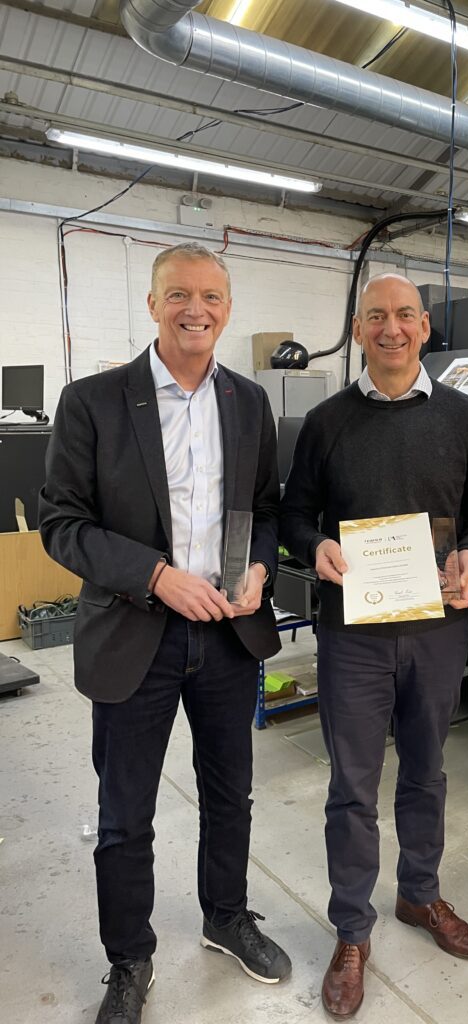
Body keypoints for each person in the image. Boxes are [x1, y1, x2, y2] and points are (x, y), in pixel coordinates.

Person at [39, 242, 291, 1024]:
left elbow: (267, 507)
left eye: (212, 296)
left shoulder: (248, 402)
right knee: (126, 815)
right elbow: (62, 524)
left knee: (230, 796)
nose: (197, 309)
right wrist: (155, 575)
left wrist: (257, 571)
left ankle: (226, 916)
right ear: (152, 305)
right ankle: (129, 959)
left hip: (225, 636)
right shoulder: (93, 401)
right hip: (133, 635)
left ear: (227, 307)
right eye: (179, 294)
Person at [280, 273, 468, 1019]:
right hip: (353, 635)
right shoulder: (325, 421)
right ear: (358, 328)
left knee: (428, 772)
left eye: (405, 315)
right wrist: (315, 548)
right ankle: (352, 930)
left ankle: (420, 894)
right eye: (376, 316)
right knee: (351, 785)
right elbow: (294, 514)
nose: (392, 328)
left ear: (425, 326)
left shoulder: (465, 416)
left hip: (437, 632)